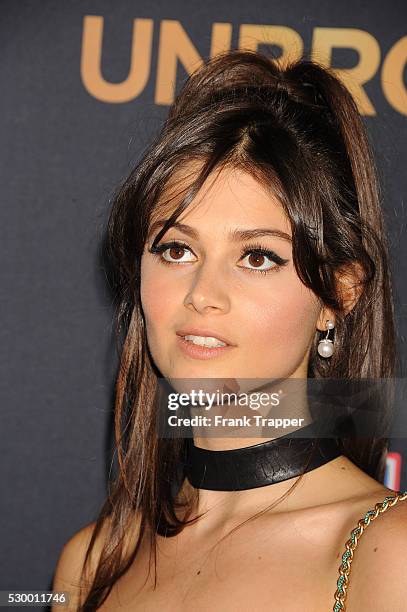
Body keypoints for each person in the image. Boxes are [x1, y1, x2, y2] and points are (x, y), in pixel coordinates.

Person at [52, 49, 407, 612]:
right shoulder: (93, 562)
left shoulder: (386, 554)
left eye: (258, 257)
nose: (202, 295)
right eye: (177, 248)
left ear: (338, 295)